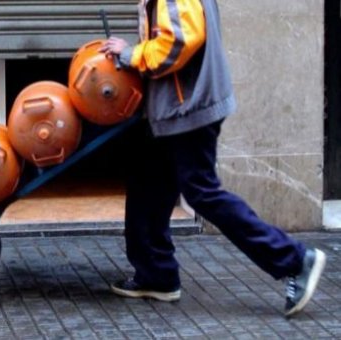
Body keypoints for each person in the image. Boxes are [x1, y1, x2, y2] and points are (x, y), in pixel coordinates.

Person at [98, 0, 326, 317]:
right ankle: (156, 273)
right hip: (173, 107)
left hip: (188, 109)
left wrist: (130, 53)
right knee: (147, 180)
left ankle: (295, 260)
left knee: (202, 193)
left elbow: (178, 43)